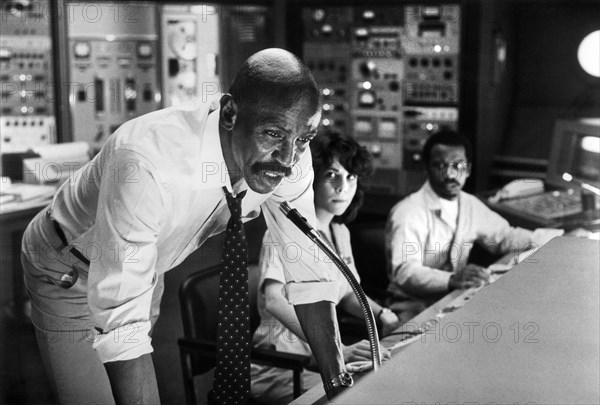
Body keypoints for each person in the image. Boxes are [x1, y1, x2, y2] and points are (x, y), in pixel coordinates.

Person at [21, 49, 350, 405]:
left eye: (304, 138)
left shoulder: (289, 154)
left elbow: (308, 275)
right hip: (67, 266)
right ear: (229, 113)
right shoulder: (146, 161)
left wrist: (342, 386)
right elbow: (122, 326)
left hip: (147, 264)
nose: (288, 159)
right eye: (272, 133)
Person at [250, 131, 399, 404]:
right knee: (363, 397)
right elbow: (273, 301)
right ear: (312, 179)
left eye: (351, 177)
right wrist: (336, 349)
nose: (343, 187)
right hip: (283, 366)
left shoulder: (340, 232)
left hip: (321, 362)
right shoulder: (284, 231)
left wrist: (384, 314)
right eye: (332, 175)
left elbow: (346, 293)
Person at [385, 129, 564, 309]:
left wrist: (556, 239)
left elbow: (503, 237)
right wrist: (452, 279)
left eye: (458, 166)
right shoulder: (409, 211)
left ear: (468, 169)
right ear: (427, 167)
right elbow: (405, 272)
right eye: (440, 165)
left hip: (450, 300)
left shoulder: (469, 204)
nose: (449, 174)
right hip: (410, 308)